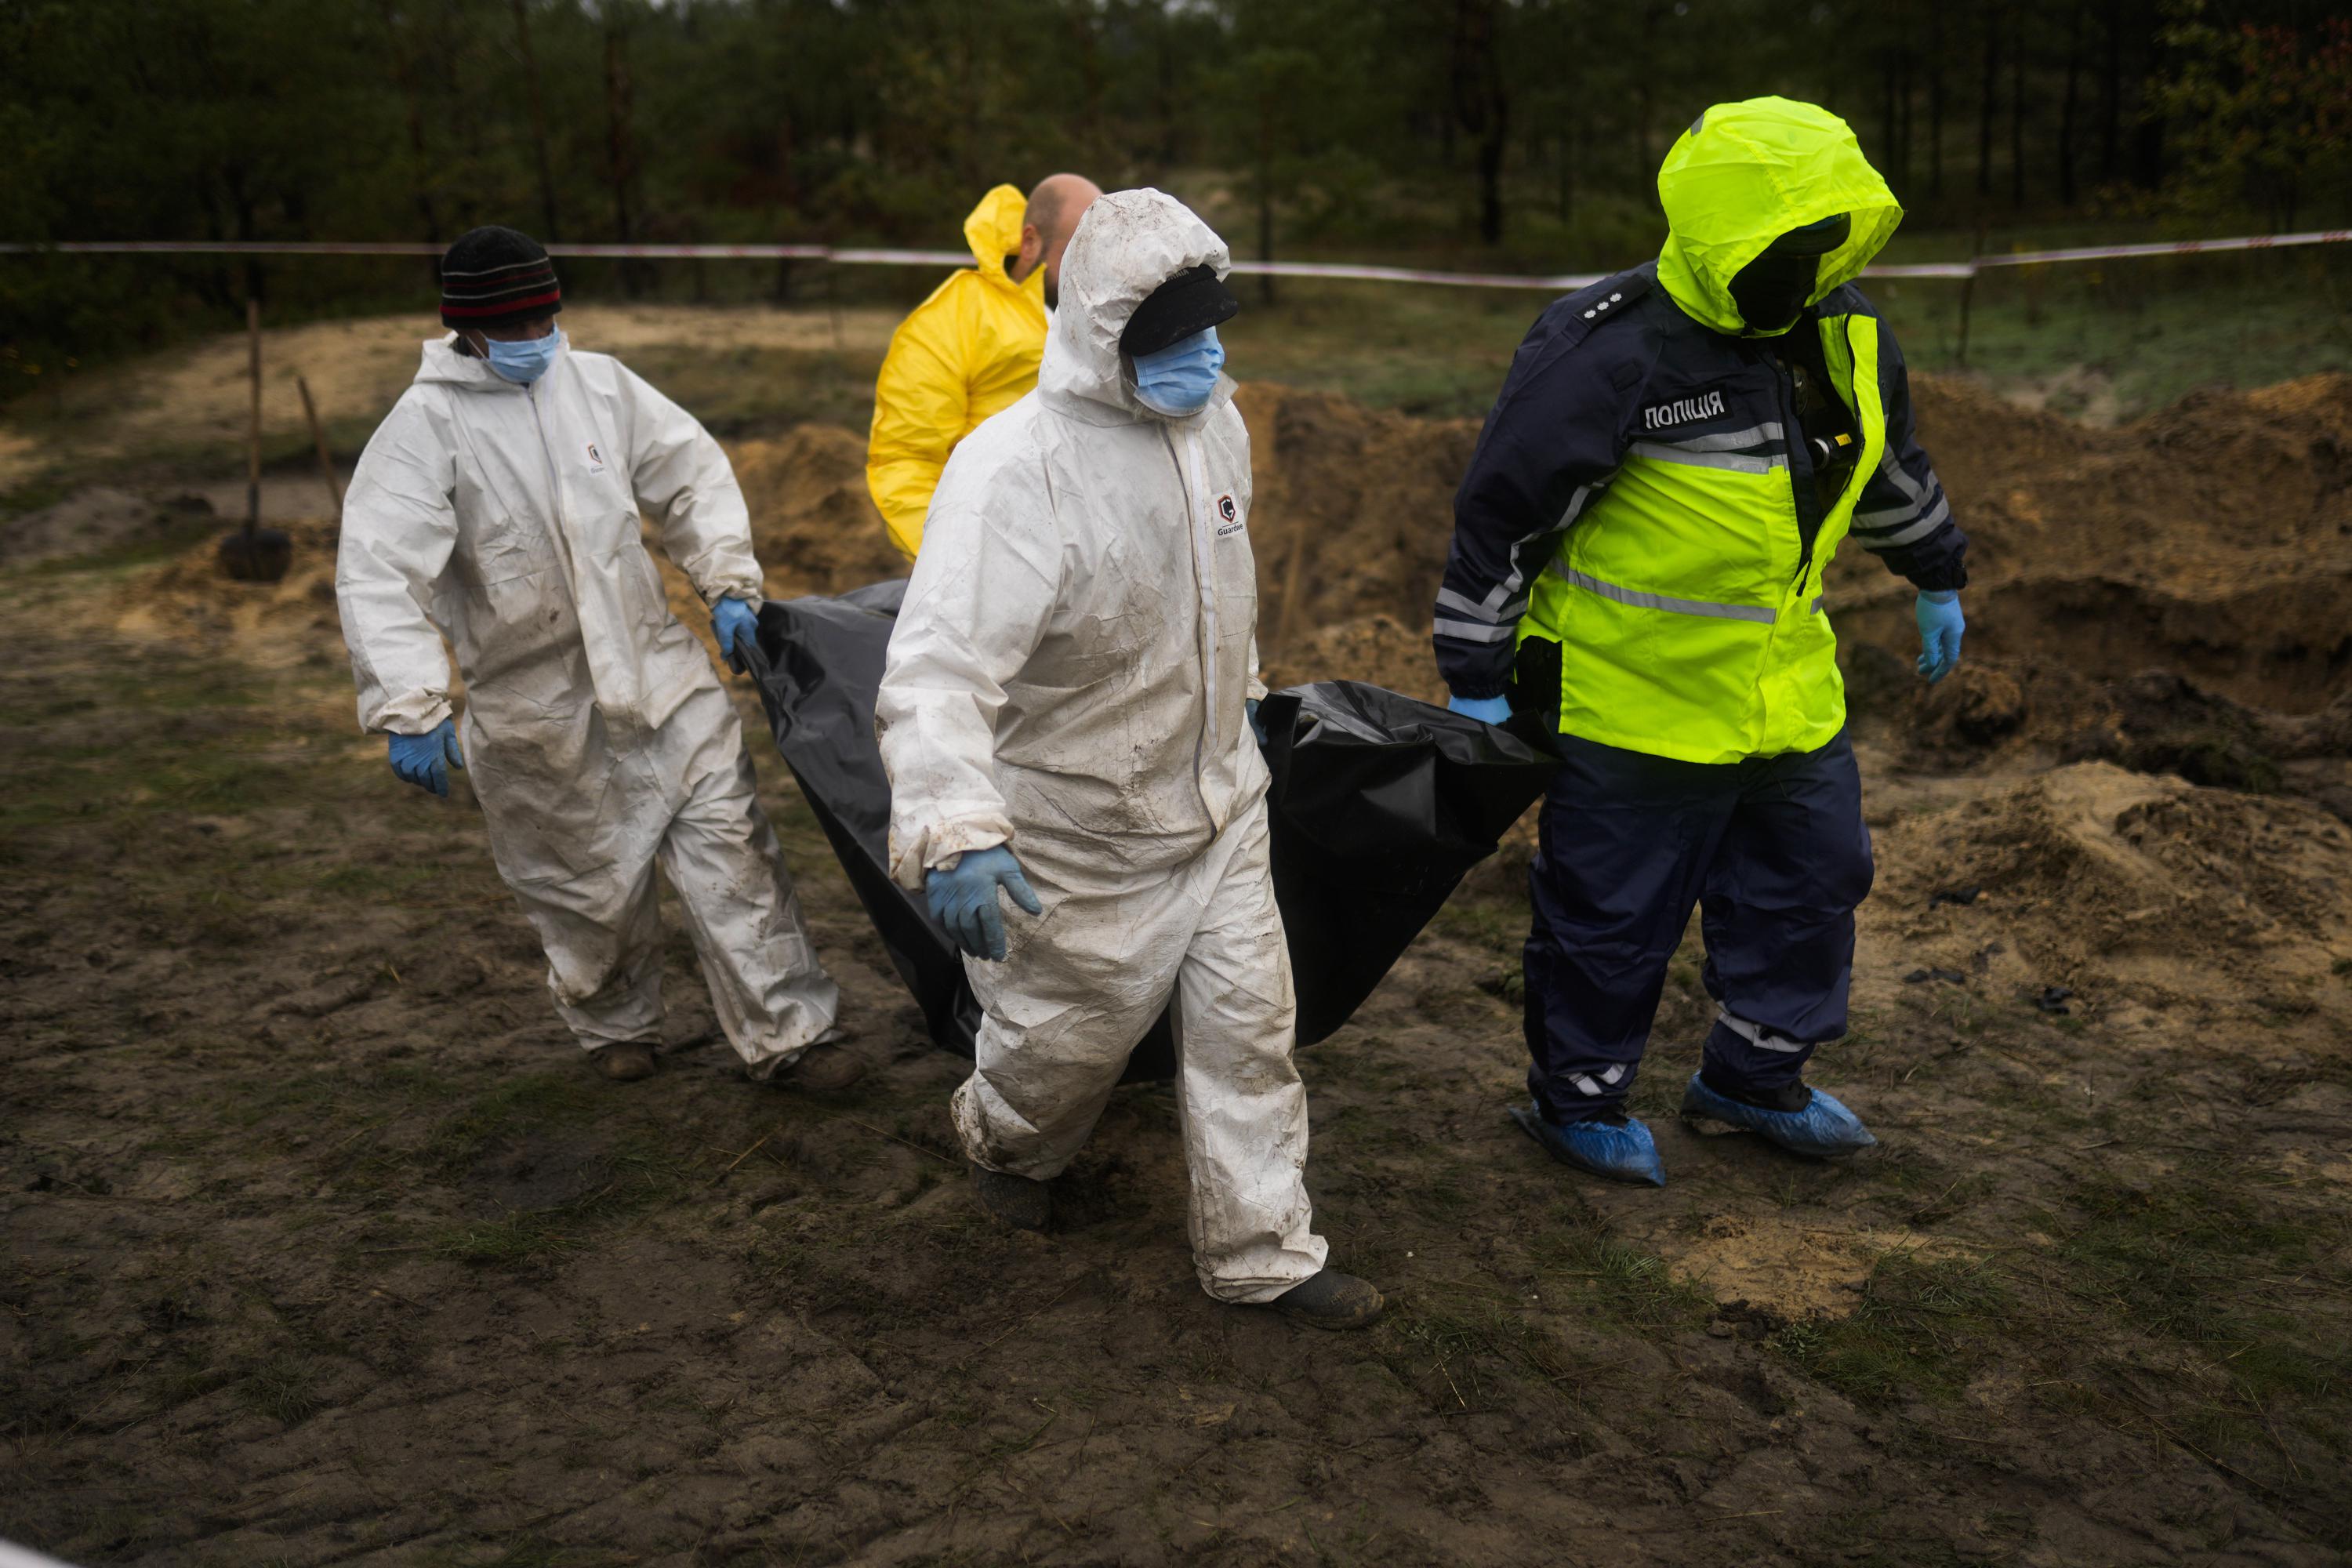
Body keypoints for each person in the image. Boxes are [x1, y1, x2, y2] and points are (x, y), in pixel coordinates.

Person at [1432, 98, 1969, 1185]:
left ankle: (1754, 1078)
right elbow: (1505, 514)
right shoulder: (1609, 352)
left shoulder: (1846, 329)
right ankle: (1575, 1098)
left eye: (1833, 237)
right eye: (1792, 242)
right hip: (1631, 705)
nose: (1817, 263)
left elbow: (1887, 464)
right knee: (1611, 920)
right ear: (1729, 237)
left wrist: (1936, 572)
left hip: (1784, 693)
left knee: (1813, 886)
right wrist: (1476, 678)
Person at [875, 189, 1382, 1330]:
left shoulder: (1216, 426)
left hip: (1219, 809)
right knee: (1065, 1051)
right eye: (1172, 340)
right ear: (1102, 332)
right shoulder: (1013, 473)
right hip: (1082, 833)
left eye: (1214, 331)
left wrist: (1242, 706)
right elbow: (939, 669)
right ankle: (1005, 1139)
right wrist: (957, 826)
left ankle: (1264, 1252)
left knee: (1254, 1037)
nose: (1201, 358)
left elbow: (1222, 595)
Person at [336, 224, 859, 1091]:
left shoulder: (603, 388)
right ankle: (614, 1018)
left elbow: (690, 472)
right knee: (585, 888)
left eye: (545, 316)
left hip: (659, 676)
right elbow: (378, 568)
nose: (535, 338)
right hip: (536, 707)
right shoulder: (424, 429)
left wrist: (727, 579)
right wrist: (410, 703)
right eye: (514, 326)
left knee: (734, 854)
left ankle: (791, 1033)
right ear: (464, 328)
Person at [865, 173, 1102, 560]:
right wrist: (950, 562)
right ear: (1030, 242)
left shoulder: (1105, 322)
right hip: (988, 554)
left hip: (1088, 563)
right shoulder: (954, 319)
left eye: (1100, 252)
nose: (1090, 269)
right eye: (1076, 250)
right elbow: (906, 459)